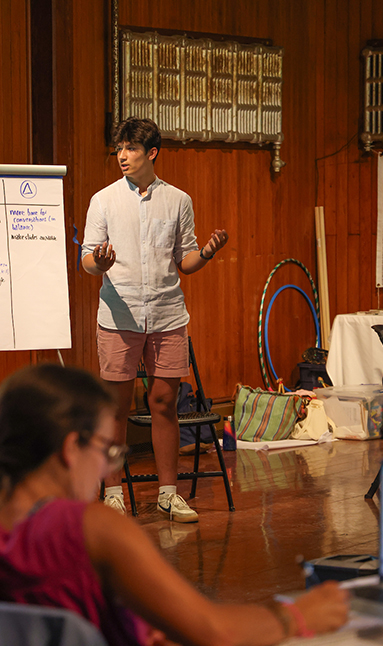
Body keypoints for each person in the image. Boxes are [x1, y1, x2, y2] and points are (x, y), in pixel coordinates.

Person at [0, 364, 349, 646]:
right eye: (107, 449)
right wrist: (299, 616)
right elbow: (213, 632)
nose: (107, 466)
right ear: (70, 449)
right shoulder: (91, 528)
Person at [81, 117, 228, 522]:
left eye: (130, 148)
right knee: (116, 407)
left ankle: (168, 493)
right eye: (119, 148)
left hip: (166, 314)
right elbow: (88, 260)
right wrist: (100, 260)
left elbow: (185, 261)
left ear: (152, 153)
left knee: (165, 402)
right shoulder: (104, 199)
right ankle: (113, 492)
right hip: (118, 313)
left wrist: (209, 252)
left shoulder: (178, 200)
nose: (122, 156)